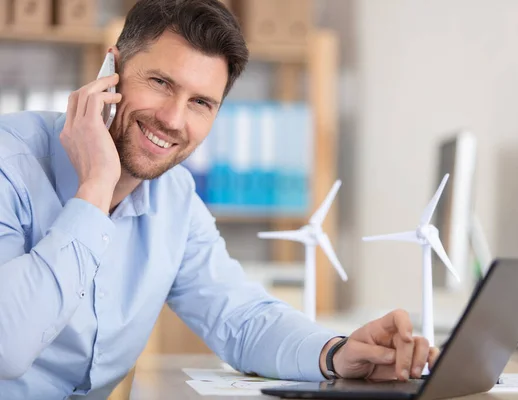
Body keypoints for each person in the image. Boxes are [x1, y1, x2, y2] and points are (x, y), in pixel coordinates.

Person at [0, 0, 439, 398]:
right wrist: (94, 189)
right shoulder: (9, 163)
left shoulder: (174, 198)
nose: (173, 119)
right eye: (159, 82)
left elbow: (241, 319)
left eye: (201, 103)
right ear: (108, 70)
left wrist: (336, 353)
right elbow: (7, 346)